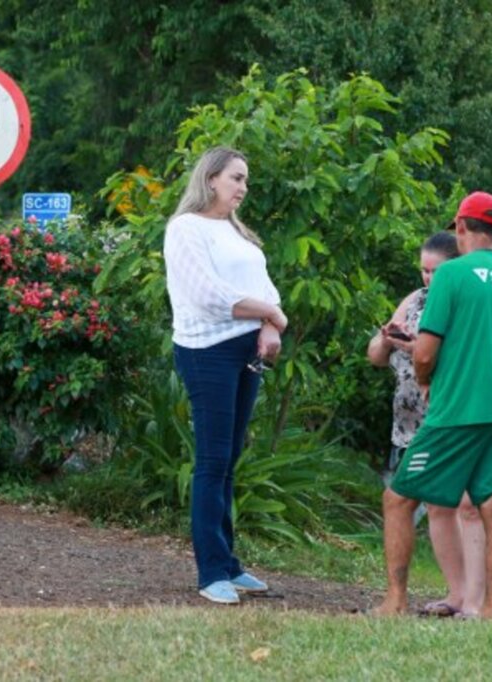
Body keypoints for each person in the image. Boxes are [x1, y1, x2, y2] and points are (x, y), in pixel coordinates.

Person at [373, 191, 492, 620]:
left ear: (461, 228)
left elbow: (424, 354)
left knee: (398, 499)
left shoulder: (451, 275)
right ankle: (490, 610)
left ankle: (395, 601)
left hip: (457, 409)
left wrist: (426, 382)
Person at [163, 146, 287, 605]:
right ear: (211, 178)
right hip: (206, 351)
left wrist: (271, 323)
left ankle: (229, 563)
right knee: (213, 461)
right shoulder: (185, 229)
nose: (243, 188)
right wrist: (272, 314)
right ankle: (210, 571)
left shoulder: (236, 233)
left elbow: (264, 287)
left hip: (245, 348)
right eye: (236, 178)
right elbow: (208, 294)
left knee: (230, 459)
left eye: (246, 180)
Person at [366, 231, 486, 617]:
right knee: (436, 507)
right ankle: (456, 593)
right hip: (409, 423)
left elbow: (456, 359)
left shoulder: (463, 303)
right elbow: (374, 355)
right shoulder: (415, 300)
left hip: (449, 417)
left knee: (467, 504)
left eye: (437, 270)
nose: (429, 278)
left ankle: (476, 601)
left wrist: (419, 347)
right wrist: (390, 340)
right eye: (424, 270)